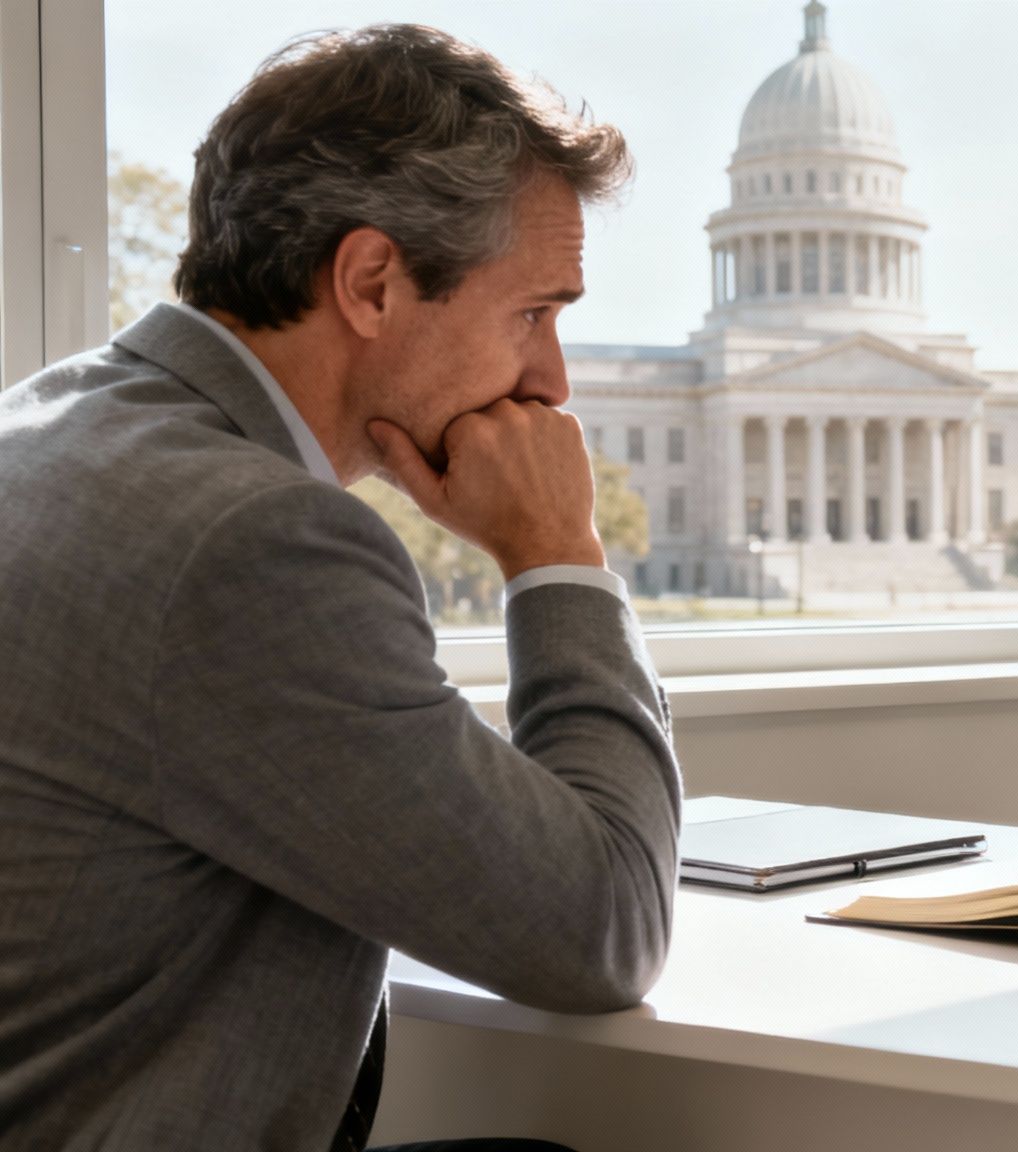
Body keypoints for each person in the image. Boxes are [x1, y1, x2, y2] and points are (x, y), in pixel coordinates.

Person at [0, 26, 679, 1151]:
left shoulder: (44, 430)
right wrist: (556, 555)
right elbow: (602, 931)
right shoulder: (254, 541)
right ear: (371, 281)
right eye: (534, 312)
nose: (552, 380)